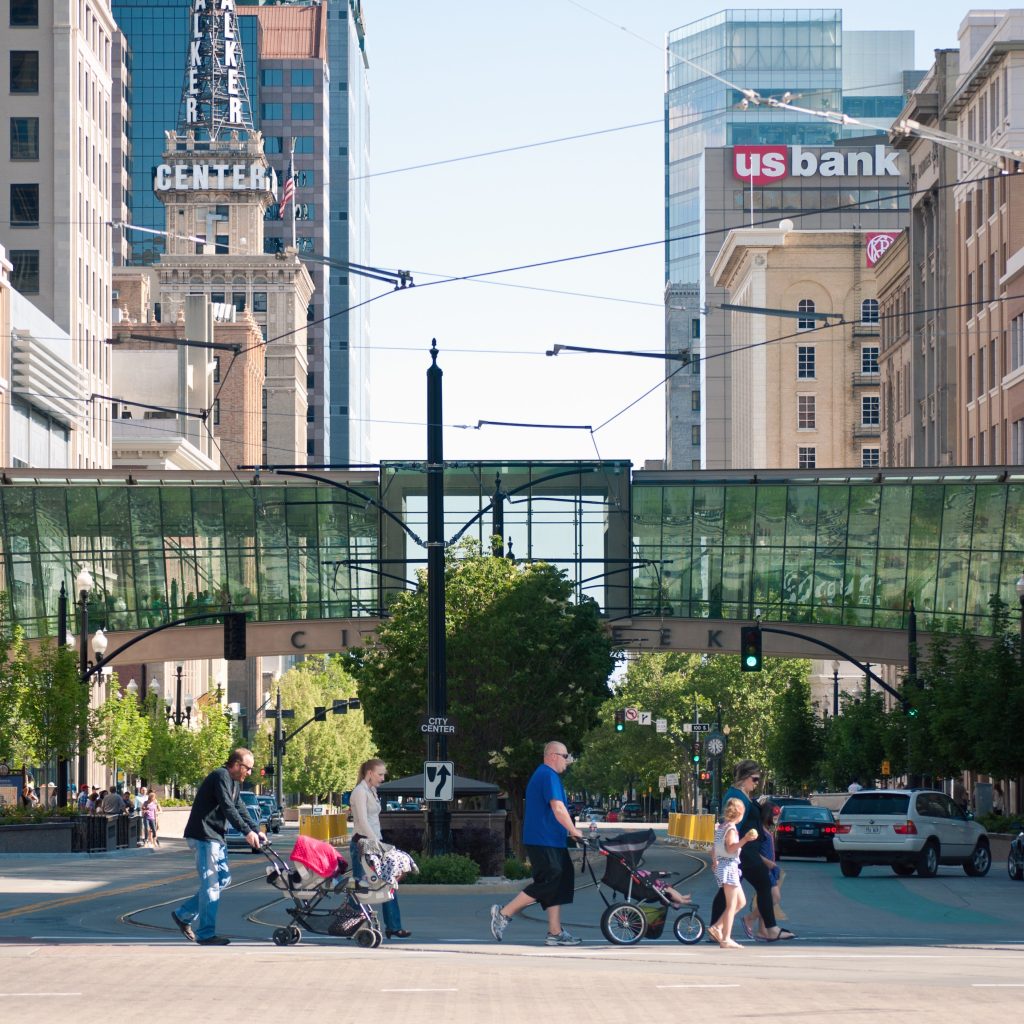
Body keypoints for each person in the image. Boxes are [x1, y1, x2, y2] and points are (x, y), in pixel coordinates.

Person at [490, 741, 584, 946]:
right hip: (543, 839)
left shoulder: (548, 776)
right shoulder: (547, 775)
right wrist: (573, 830)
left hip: (553, 840)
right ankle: (504, 913)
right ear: (552, 755)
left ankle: (554, 932)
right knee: (549, 881)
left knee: (561, 880)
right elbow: (558, 808)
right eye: (565, 756)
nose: (567, 761)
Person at [171, 748, 263, 946]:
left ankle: (183, 915)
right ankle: (205, 934)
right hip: (204, 835)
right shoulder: (220, 776)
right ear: (237, 765)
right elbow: (227, 807)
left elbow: (240, 808)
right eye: (248, 768)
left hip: (216, 837)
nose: (249, 773)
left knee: (223, 879)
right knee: (210, 884)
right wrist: (246, 833)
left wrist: (256, 829)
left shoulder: (235, 784)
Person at [709, 760, 795, 942]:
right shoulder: (737, 797)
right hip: (745, 852)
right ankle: (770, 929)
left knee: (727, 890)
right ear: (745, 778)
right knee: (763, 884)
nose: (756, 783)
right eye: (755, 779)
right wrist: (719, 852)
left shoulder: (742, 795)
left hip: (745, 851)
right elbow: (730, 826)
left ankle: (715, 928)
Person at [349, 758, 411, 939]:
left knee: (388, 883)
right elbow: (362, 821)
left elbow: (374, 821)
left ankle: (393, 926)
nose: (383, 778)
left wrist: (379, 843)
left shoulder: (372, 791)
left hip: (375, 844)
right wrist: (377, 842)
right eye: (380, 774)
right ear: (369, 773)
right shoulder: (359, 792)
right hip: (363, 844)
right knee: (360, 887)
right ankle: (350, 923)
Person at [708, 797, 759, 948]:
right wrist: (745, 839)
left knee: (741, 902)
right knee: (732, 905)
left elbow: (713, 849)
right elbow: (731, 848)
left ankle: (717, 926)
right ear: (740, 813)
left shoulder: (721, 827)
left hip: (724, 866)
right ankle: (725, 938)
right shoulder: (730, 829)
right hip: (729, 867)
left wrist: (715, 861)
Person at [742, 802, 784, 938]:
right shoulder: (759, 830)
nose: (776, 819)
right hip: (764, 867)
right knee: (774, 897)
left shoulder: (766, 829)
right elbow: (754, 852)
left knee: (765, 896)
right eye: (774, 816)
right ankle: (750, 917)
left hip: (770, 867)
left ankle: (762, 930)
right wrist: (770, 864)